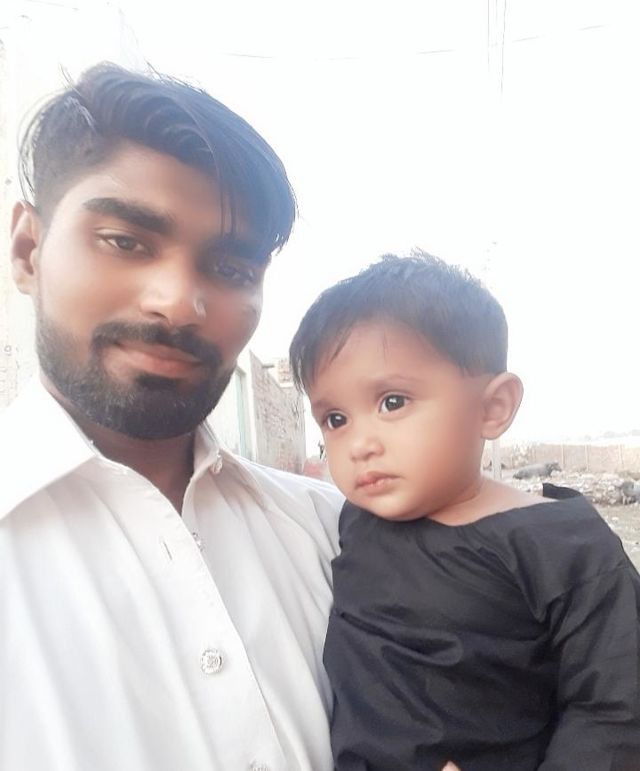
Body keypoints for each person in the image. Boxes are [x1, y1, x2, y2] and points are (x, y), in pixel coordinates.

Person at [0, 63, 344, 771]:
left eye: (232, 269)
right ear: (29, 250)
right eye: (125, 241)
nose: (179, 301)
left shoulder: (331, 533)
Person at [289, 252, 640, 771]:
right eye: (335, 419)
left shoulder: (564, 546)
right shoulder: (352, 526)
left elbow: (616, 709)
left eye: (392, 402)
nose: (359, 444)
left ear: (493, 407)